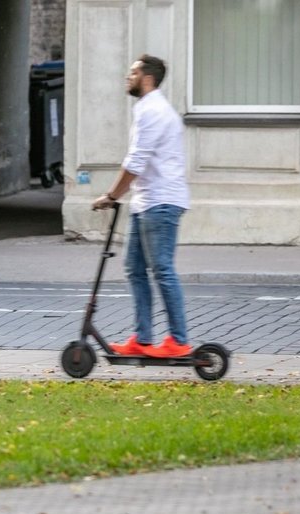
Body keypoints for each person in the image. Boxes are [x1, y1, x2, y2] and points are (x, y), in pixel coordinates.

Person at [91, 54, 191, 358]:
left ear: (147, 78)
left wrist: (111, 195)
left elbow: (136, 161)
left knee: (162, 269)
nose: (127, 76)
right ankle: (143, 338)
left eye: (132, 72)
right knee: (134, 269)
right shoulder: (146, 109)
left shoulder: (154, 112)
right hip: (146, 202)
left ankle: (178, 341)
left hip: (161, 202)